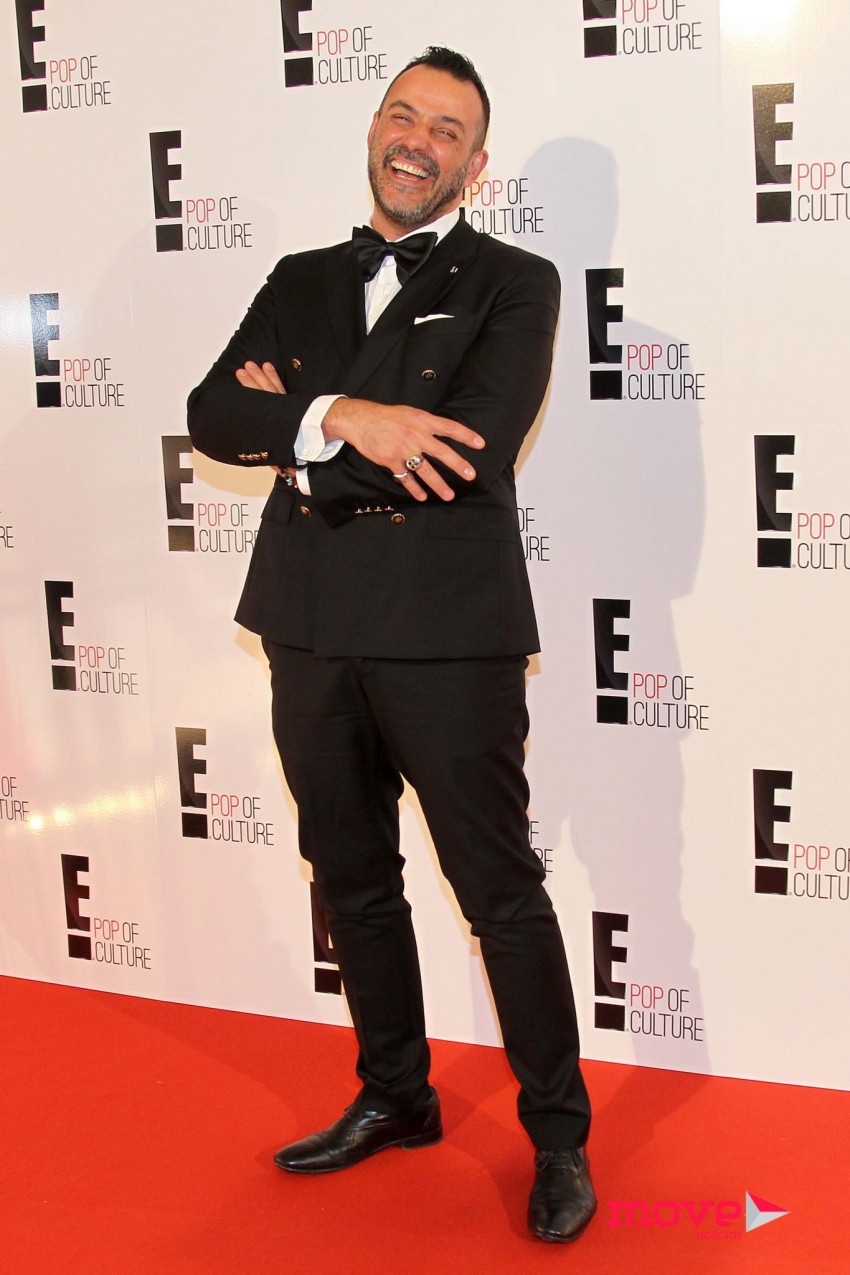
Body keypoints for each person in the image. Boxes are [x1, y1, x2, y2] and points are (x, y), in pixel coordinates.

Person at [187, 46, 594, 1244]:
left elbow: (465, 448)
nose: (417, 141)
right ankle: (395, 1093)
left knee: (497, 889)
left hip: (446, 632)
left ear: (475, 164)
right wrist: (346, 415)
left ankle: (557, 1139)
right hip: (309, 622)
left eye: (446, 129)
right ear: (373, 128)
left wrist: (298, 438)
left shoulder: (516, 281)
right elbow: (214, 414)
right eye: (401, 115)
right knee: (351, 875)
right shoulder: (300, 276)